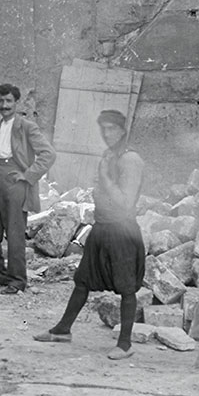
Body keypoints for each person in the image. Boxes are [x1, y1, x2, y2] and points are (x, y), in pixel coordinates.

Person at [35, 110, 145, 360]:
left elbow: (126, 202)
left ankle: (125, 344)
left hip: (122, 231)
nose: (107, 134)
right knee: (82, 280)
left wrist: (105, 179)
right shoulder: (109, 155)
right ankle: (63, 330)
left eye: (112, 129)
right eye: (103, 129)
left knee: (127, 288)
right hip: (102, 227)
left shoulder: (131, 160)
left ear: (122, 130)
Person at [0, 84, 56, 294]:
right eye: (1, 101)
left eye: (8, 101)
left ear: (16, 103)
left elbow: (48, 154)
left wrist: (28, 175)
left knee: (14, 234)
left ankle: (17, 280)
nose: (4, 105)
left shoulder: (26, 126)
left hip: (15, 183)